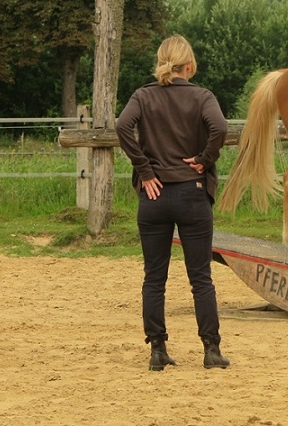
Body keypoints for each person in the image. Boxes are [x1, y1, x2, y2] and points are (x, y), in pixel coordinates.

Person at [117, 34, 230, 370]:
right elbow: (220, 128)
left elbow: (123, 126)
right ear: (189, 66)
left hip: (153, 196)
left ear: (161, 62)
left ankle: (157, 350)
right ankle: (211, 350)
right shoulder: (202, 97)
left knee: (154, 277)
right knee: (201, 277)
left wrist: (145, 170)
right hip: (192, 194)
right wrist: (204, 159)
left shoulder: (143, 96)